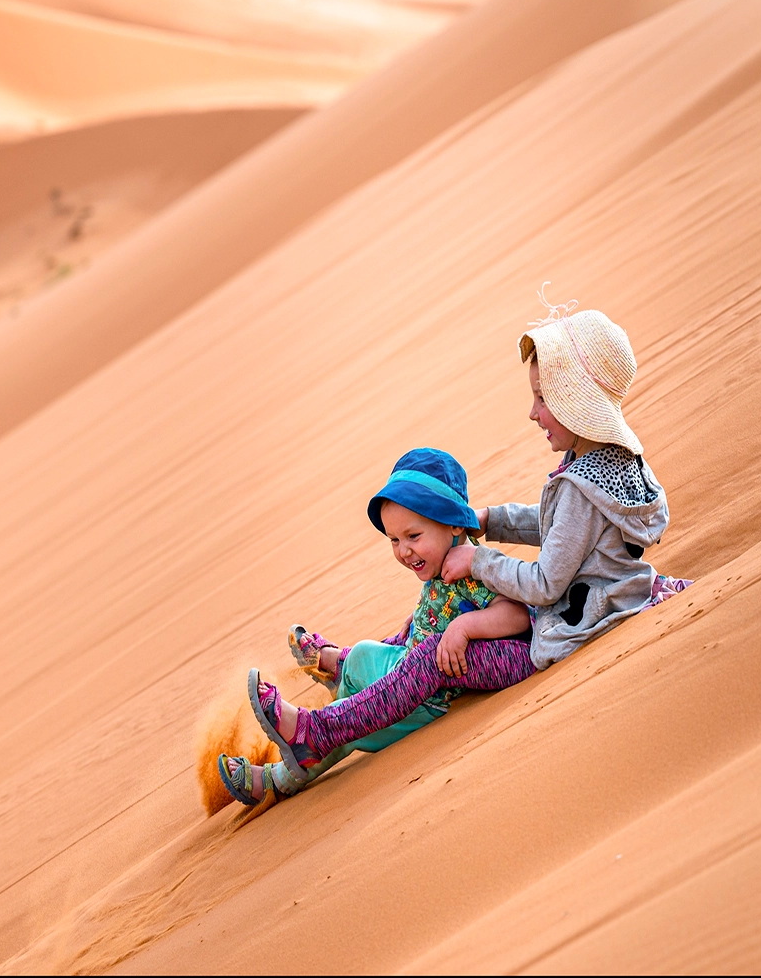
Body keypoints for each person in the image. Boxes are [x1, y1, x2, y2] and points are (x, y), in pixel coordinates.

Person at [233, 288, 690, 804]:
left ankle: (316, 732)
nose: (533, 413)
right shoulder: (609, 467)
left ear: (572, 404)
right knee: (418, 651)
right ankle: (315, 732)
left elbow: (544, 586)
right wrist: (488, 520)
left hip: (560, 633)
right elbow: (553, 526)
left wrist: (480, 557)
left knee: (429, 661)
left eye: (543, 398)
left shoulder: (581, 488)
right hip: (598, 605)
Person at [217, 448, 532, 805]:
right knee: (366, 654)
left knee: (352, 725)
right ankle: (343, 670)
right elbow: (441, 605)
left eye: (413, 536)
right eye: (395, 541)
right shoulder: (440, 557)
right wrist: (417, 621)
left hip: (426, 701)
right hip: (410, 670)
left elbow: (518, 614)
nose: (404, 551)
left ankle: (277, 780)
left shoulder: (478, 564)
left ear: (455, 524)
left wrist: (465, 628)